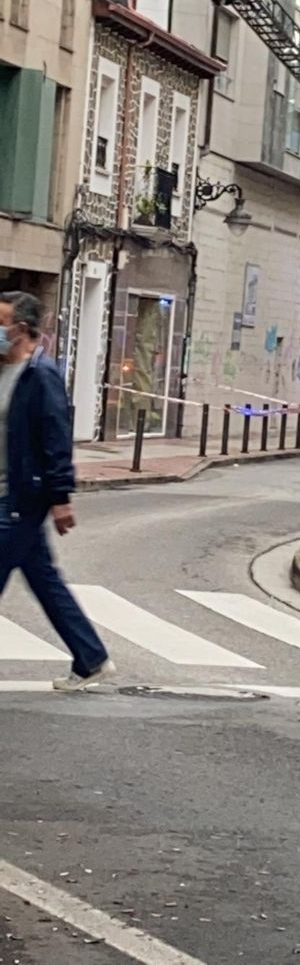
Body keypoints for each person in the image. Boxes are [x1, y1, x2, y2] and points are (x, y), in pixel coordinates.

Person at [0, 292, 115, 690]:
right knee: (44, 579)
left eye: (1, 323)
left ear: (22, 329)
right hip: (8, 493)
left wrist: (60, 497)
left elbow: (56, 438)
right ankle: (91, 658)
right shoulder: (2, 368)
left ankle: (91, 658)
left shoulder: (39, 375)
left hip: (19, 497)